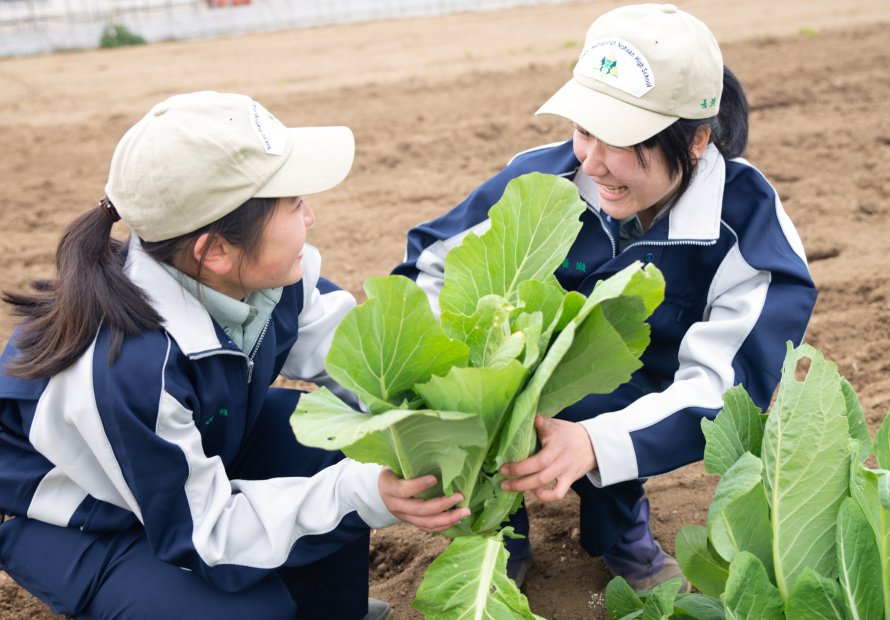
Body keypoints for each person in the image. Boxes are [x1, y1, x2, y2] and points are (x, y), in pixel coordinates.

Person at [393, 3, 817, 592]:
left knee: (607, 400)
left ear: (695, 140)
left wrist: (598, 443)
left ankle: (618, 531)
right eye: (584, 128)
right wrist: (448, 375)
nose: (591, 160)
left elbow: (727, 386)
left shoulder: (749, 232)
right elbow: (430, 268)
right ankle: (499, 530)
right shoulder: (544, 177)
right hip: (523, 375)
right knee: (477, 373)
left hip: (643, 391)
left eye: (618, 139)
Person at [0, 91, 469, 620]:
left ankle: (330, 612)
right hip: (82, 520)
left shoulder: (265, 279)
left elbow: (357, 361)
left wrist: (453, 415)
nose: (310, 214)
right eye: (293, 204)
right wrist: (361, 495)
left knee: (345, 437)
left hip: (188, 450)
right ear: (215, 250)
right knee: (247, 610)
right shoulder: (127, 369)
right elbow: (208, 534)